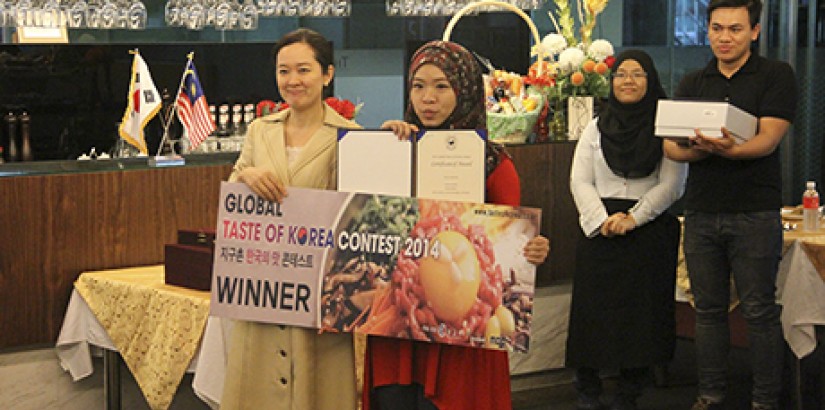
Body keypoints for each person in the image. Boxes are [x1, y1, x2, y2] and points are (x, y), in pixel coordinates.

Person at [361, 40, 550, 410]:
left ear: (463, 90)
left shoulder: (493, 163)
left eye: (441, 86)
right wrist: (380, 148)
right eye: (418, 86)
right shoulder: (393, 148)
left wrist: (530, 249)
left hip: (463, 331)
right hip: (398, 325)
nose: (427, 98)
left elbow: (506, 242)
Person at [661, 0, 798, 409]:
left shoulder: (776, 75)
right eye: (717, 28)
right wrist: (703, 152)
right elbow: (671, 145)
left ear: (754, 32)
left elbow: (768, 139)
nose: (725, 37)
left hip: (754, 211)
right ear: (707, 31)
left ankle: (765, 400)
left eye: (735, 29)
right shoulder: (693, 81)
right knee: (708, 311)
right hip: (701, 212)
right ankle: (711, 395)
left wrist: (727, 148)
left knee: (758, 311)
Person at [220, 28, 362, 410]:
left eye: (304, 70)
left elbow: (364, 216)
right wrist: (246, 176)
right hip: (263, 288)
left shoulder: (351, 137)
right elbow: (234, 190)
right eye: (284, 71)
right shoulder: (258, 131)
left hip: (318, 292)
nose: (293, 81)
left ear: (327, 74)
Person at [566, 49, 688, 410]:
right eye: (621, 74)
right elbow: (579, 179)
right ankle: (586, 390)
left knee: (641, 318)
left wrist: (634, 217)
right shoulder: (595, 125)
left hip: (647, 228)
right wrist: (600, 219)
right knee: (592, 314)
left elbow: (672, 184)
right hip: (598, 228)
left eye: (638, 74)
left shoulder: (667, 126)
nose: (628, 81)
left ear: (650, 81)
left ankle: (629, 393)